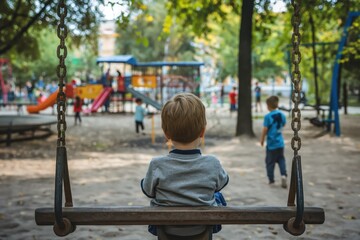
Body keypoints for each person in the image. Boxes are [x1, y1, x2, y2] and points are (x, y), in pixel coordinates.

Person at [141, 92, 229, 237]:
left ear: (166, 134)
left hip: (166, 228)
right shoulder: (212, 163)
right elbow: (222, 183)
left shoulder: (157, 164)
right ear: (202, 132)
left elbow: (148, 191)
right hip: (202, 227)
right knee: (217, 195)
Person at [260, 96, 287, 188]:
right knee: (281, 160)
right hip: (280, 143)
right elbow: (284, 124)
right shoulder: (282, 114)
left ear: (268, 105)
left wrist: (262, 140)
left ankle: (271, 180)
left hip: (271, 145)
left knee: (270, 162)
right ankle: (283, 175)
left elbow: (265, 129)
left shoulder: (267, 116)